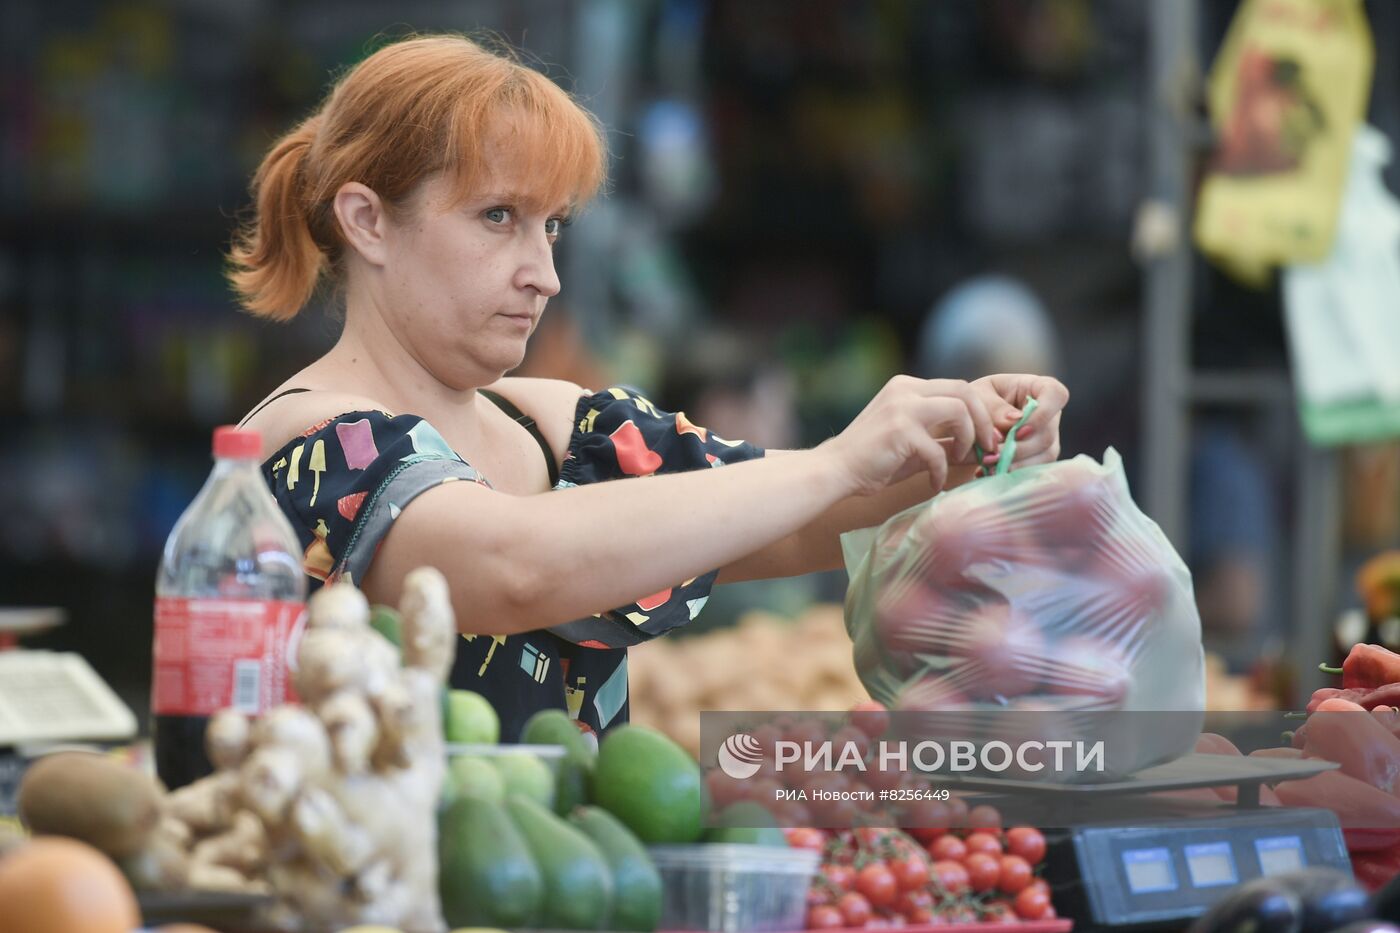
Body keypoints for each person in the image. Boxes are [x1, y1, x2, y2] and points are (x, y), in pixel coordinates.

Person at [227, 34, 1070, 743]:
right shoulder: (307, 444)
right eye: (498, 217)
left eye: (552, 226)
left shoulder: (551, 420)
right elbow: (517, 564)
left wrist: (968, 451)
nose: (545, 274)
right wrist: (836, 461)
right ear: (368, 221)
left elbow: (782, 522)